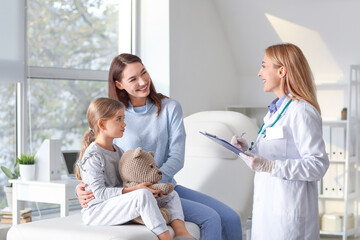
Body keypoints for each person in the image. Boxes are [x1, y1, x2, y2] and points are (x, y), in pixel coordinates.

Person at [77, 54, 242, 240]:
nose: (142, 81)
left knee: (231, 218)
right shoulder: (115, 116)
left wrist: (155, 186)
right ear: (119, 85)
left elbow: (177, 157)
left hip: (165, 187)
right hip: (134, 193)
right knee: (211, 218)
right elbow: (101, 158)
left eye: (144, 73)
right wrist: (83, 188)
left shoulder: (170, 108)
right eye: (133, 79)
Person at [231, 43, 329, 240]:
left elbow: (318, 165)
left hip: (289, 217)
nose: (259, 73)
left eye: (264, 66)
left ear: (282, 71)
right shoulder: (274, 112)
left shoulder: (301, 111)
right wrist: (247, 150)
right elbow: (272, 156)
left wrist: (269, 165)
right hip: (267, 213)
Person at [75, 97, 195, 240]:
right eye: (118, 119)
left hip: (116, 203)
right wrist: (136, 190)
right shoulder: (93, 156)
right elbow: (99, 193)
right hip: (97, 211)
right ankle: (165, 237)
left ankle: (182, 233)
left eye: (123, 118)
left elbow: (125, 181)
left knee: (171, 194)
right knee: (142, 195)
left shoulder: (118, 151)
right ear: (102, 124)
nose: (124, 124)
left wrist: (147, 188)